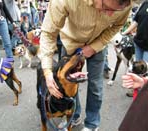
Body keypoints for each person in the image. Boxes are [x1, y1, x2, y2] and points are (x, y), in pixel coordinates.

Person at [38, 0, 131, 131]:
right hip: (71, 43)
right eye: (106, 7)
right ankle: (73, 115)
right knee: (68, 82)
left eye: (116, 11)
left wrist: (93, 47)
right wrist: (47, 72)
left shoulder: (126, 3)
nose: (110, 15)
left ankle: (92, 124)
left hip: (98, 43)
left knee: (95, 85)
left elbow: (117, 26)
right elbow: (48, 33)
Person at [122, 1, 148, 98]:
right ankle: (136, 90)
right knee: (136, 68)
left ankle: (143, 96)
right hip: (139, 43)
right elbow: (136, 21)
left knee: (145, 71)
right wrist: (124, 33)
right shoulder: (145, 3)